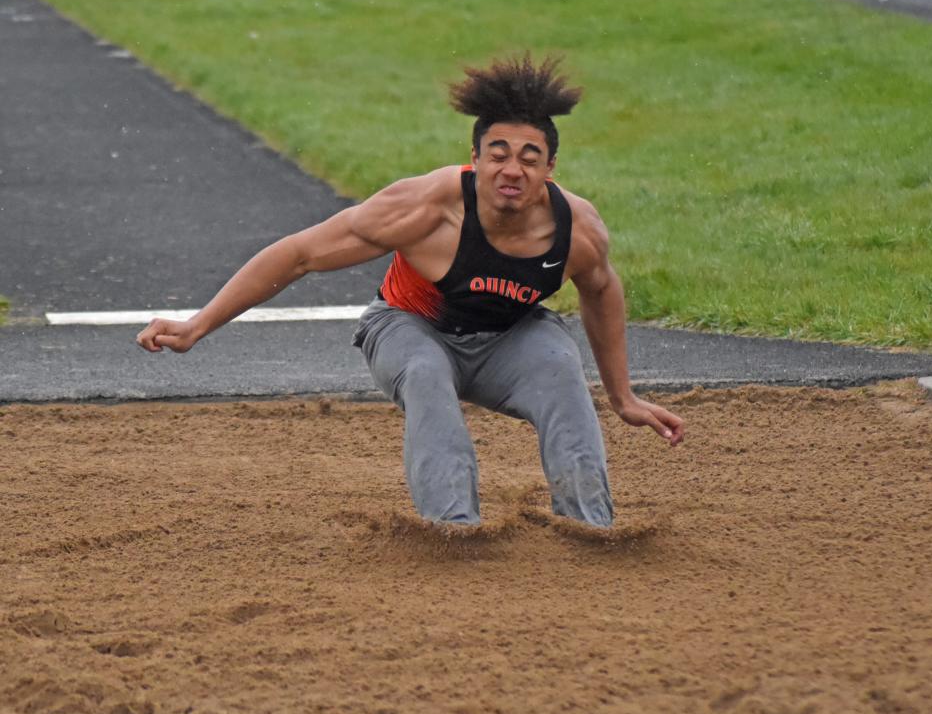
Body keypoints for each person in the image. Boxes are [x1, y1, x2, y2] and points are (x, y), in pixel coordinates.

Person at [137, 54, 685, 527]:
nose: (511, 169)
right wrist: (198, 324)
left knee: (563, 369)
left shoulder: (577, 231)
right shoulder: (423, 209)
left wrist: (623, 397)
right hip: (407, 326)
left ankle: (591, 529)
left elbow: (601, 292)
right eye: (498, 153)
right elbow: (300, 254)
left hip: (509, 340)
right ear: (476, 159)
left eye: (528, 156)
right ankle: (455, 532)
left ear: (551, 168)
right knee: (426, 374)